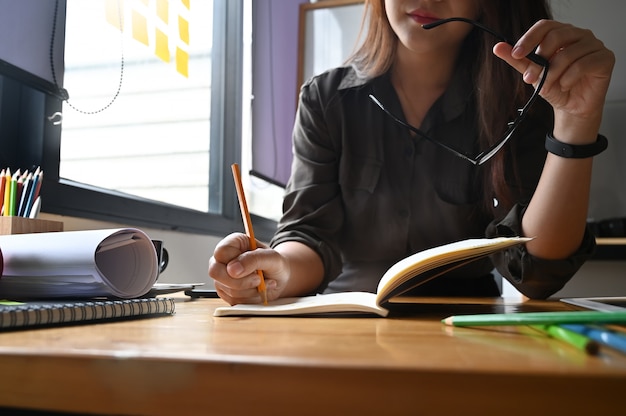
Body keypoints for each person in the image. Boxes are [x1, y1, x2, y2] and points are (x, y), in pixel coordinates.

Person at [209, 0, 615, 305]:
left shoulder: (521, 99)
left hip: (466, 330)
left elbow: (537, 271)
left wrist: (576, 123)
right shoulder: (327, 99)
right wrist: (276, 269)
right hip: (341, 322)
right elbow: (310, 235)